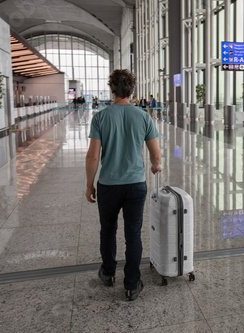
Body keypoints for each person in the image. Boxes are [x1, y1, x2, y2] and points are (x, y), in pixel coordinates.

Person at [85, 69, 163, 301]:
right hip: (135, 185)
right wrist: (155, 166)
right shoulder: (143, 117)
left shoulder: (100, 117)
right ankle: (131, 283)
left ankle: (108, 272)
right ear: (132, 90)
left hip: (108, 185)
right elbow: (156, 155)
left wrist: (89, 185)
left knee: (108, 229)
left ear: (112, 89)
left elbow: (92, 157)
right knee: (133, 234)